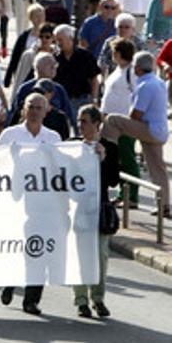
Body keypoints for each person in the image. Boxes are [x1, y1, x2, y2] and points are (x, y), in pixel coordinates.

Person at [0, 92, 62, 315]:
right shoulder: (10, 134)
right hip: (15, 200)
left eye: (39, 108)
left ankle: (32, 299)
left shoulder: (53, 138)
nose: (34, 111)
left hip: (43, 202)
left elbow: (60, 169)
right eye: (31, 107)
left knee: (38, 249)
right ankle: (10, 281)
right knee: (17, 246)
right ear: (24, 110)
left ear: (46, 111)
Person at [101, 51, 170, 218]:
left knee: (113, 120)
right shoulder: (159, 82)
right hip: (159, 130)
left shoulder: (145, 85)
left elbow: (136, 115)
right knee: (157, 169)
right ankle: (165, 206)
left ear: (137, 68)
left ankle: (106, 148)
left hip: (149, 129)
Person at [72, 105, 119, 319]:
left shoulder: (109, 147)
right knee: (80, 255)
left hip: (99, 208)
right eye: (79, 121)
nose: (81, 126)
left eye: (85, 122)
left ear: (96, 124)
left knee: (101, 255)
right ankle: (81, 300)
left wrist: (102, 159)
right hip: (78, 209)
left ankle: (98, 298)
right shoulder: (71, 146)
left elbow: (113, 180)